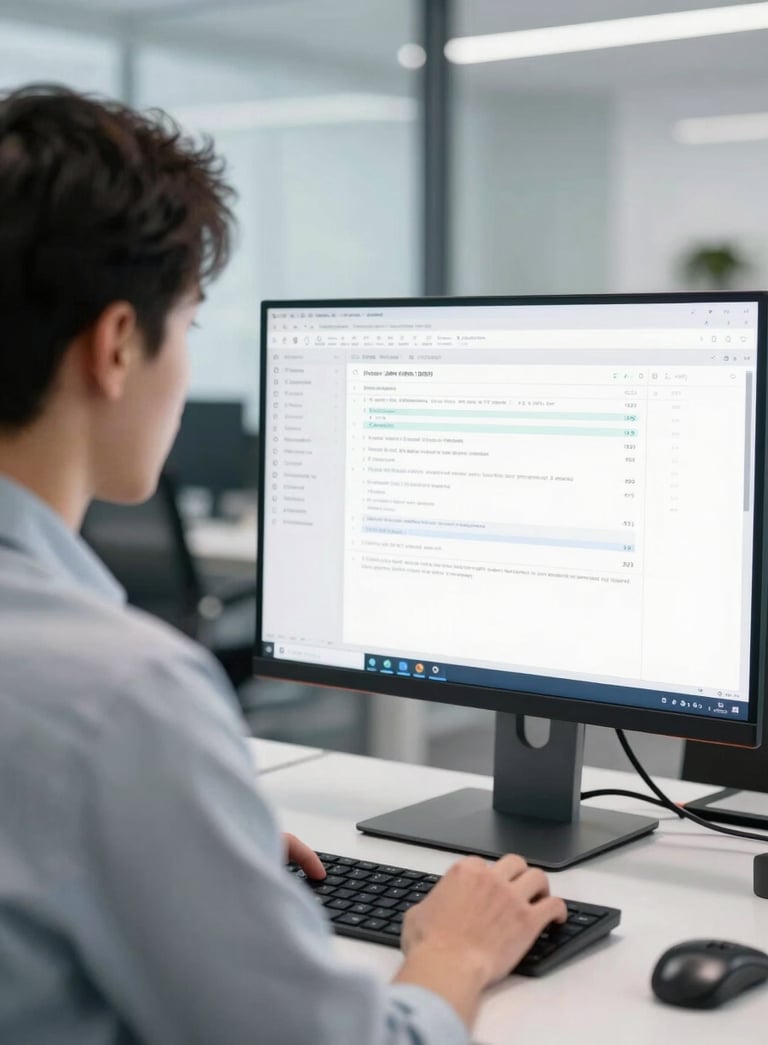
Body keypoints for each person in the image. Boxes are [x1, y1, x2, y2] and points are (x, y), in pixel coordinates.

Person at [0, 84, 566, 1045]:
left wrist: (173, 843)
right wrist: (454, 952)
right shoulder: (117, 697)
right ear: (118, 342)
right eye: (190, 323)